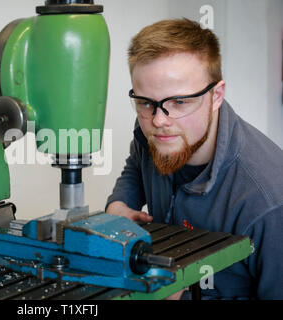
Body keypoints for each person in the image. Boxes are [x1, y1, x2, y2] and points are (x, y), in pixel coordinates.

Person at [105, 18, 283, 300]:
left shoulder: (269, 204)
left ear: (216, 95)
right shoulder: (152, 128)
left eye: (179, 102)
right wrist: (119, 204)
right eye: (145, 103)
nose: (159, 121)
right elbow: (138, 163)